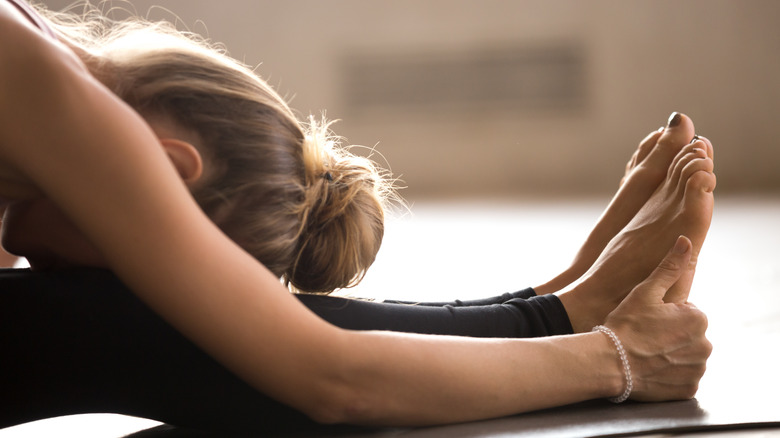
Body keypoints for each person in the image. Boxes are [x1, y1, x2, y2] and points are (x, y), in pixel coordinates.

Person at [0, 0, 715, 430]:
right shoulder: (48, 88)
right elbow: (330, 378)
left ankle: (557, 307)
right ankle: (560, 313)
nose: (53, 273)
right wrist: (613, 361)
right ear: (167, 166)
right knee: (127, 330)